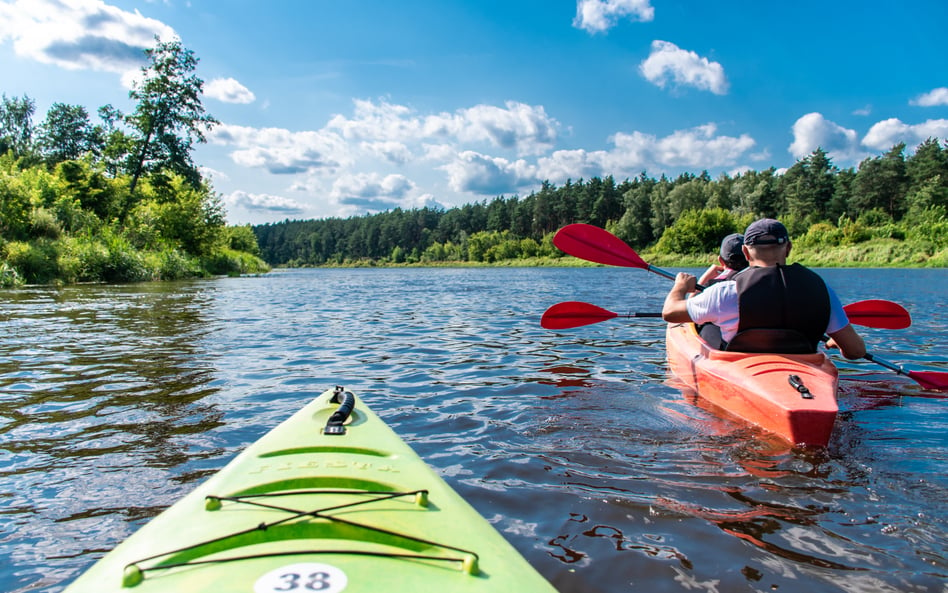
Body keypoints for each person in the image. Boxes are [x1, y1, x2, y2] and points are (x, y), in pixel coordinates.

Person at [662, 218, 866, 359]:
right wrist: (833, 342)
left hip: (743, 367)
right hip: (806, 367)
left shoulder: (726, 291)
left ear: (746, 252)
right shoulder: (821, 289)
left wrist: (680, 287)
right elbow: (855, 351)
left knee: (707, 327)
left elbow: (670, 313)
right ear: (788, 247)